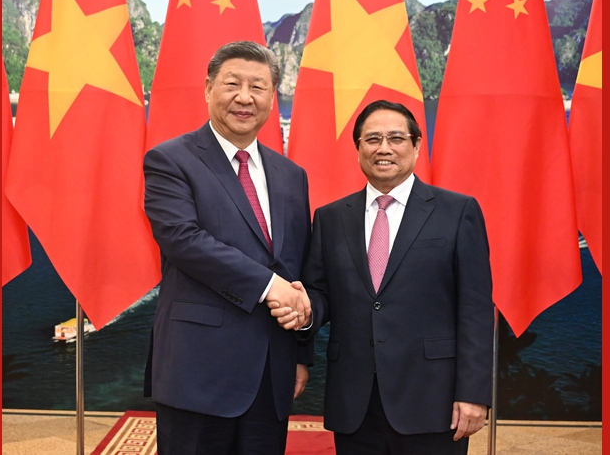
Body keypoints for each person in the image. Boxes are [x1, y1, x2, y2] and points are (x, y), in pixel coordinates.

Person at [272, 100, 495, 454]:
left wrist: (473, 393)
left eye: (396, 138)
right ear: (358, 148)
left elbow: (476, 309)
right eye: (373, 139)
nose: (384, 148)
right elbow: (319, 293)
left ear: (416, 145)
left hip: (432, 400)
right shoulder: (331, 218)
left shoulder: (457, 211)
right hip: (355, 402)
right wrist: (304, 311)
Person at [143, 40, 313, 455]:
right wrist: (270, 286)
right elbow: (183, 240)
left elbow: (298, 268)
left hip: (271, 373)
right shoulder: (170, 160)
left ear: (272, 96)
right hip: (196, 372)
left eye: (258, 87)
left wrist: (301, 352)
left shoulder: (291, 175)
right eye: (232, 84)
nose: (244, 97)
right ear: (208, 89)